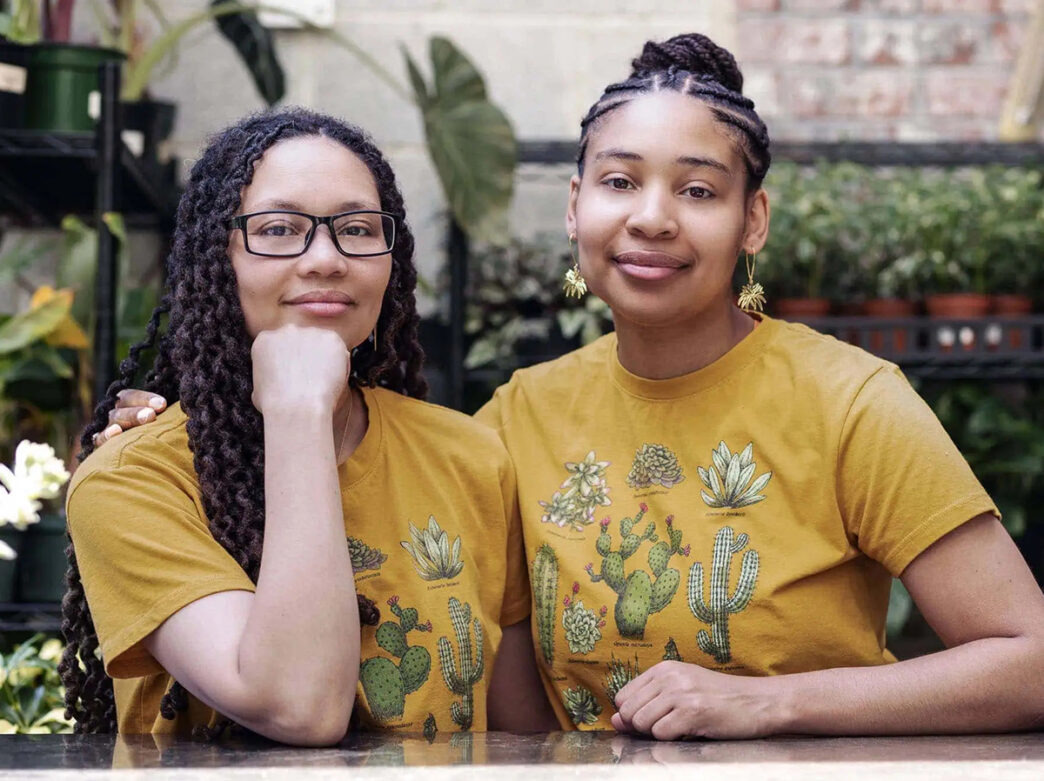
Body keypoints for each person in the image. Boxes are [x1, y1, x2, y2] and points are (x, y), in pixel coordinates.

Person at [102, 35, 1044, 740]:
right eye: (620, 181)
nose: (653, 218)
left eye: (699, 191)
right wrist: (201, 422)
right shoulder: (514, 421)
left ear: (753, 219)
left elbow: (1031, 657)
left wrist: (774, 701)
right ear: (575, 205)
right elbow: (519, 723)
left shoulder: (852, 401)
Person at [62, 108, 554, 744]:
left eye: (356, 229)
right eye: (278, 229)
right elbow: (298, 707)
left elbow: (518, 738)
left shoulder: (470, 456)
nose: (325, 258)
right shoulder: (130, 481)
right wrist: (297, 412)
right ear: (216, 257)